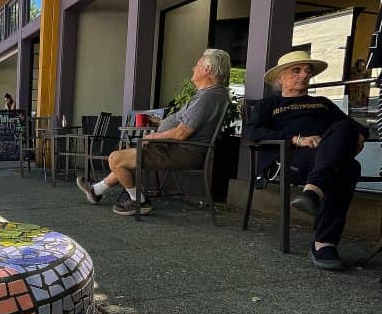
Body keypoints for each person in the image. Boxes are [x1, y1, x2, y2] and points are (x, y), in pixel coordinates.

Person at [245, 49, 367, 271]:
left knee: (346, 130)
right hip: (290, 159)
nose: (304, 75)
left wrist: (359, 136)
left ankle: (312, 193)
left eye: (307, 71)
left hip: (324, 160)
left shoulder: (322, 102)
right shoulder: (269, 105)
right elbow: (253, 133)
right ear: (280, 77)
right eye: (296, 70)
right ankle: (324, 243)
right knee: (349, 168)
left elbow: (355, 128)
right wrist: (296, 139)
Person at [76, 48, 231, 216]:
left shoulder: (208, 97)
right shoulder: (212, 95)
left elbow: (181, 133)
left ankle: (139, 201)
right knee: (126, 159)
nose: (193, 68)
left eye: (197, 65)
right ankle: (96, 190)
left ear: (207, 69)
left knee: (116, 158)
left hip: (180, 151)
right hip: (174, 148)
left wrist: (153, 136)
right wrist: (161, 124)